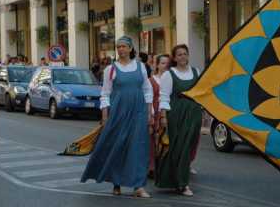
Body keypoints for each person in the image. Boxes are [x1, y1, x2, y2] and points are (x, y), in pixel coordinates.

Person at [81, 36, 153, 198]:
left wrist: (150, 113)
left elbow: (147, 90)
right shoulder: (110, 70)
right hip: (118, 112)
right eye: (118, 46)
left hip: (138, 111)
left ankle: (138, 187)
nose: (120, 49)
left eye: (123, 46)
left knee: (138, 147)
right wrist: (105, 115)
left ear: (130, 49)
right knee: (117, 146)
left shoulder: (141, 67)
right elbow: (105, 94)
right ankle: (116, 183)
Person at [156, 44, 201, 197]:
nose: (183, 57)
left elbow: (201, 93)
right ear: (174, 58)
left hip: (194, 113)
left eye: (185, 54)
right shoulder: (169, 74)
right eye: (179, 55)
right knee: (178, 147)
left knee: (188, 148)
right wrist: (163, 116)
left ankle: (175, 180)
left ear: (188, 55)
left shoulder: (196, 72)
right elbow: (164, 97)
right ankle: (183, 184)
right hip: (176, 114)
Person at [148, 54, 170, 178]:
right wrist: (151, 116)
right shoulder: (151, 80)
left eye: (167, 63)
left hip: (167, 112)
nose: (165, 65)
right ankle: (152, 167)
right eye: (162, 63)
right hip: (156, 112)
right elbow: (149, 100)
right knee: (154, 141)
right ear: (157, 65)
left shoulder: (172, 78)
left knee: (166, 141)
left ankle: (165, 167)